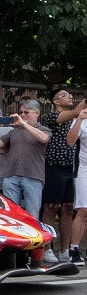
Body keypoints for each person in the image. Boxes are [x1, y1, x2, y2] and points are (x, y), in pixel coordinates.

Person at [41, 89, 87, 263]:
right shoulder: (54, 116)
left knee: (68, 208)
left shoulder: (76, 118)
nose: (70, 97)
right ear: (56, 101)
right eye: (65, 95)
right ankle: (47, 248)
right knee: (51, 207)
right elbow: (76, 112)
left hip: (71, 167)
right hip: (54, 166)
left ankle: (65, 249)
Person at [0, 100, 50, 220]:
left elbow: (43, 138)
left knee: (32, 216)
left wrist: (23, 124)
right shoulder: (14, 131)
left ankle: (32, 238)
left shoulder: (43, 129)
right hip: (11, 176)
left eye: (26, 112)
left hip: (33, 177)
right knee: (10, 216)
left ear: (37, 113)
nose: (22, 115)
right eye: (21, 112)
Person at [65, 107, 87, 265]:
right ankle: (73, 250)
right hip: (84, 169)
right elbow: (70, 141)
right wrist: (79, 119)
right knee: (83, 209)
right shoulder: (81, 119)